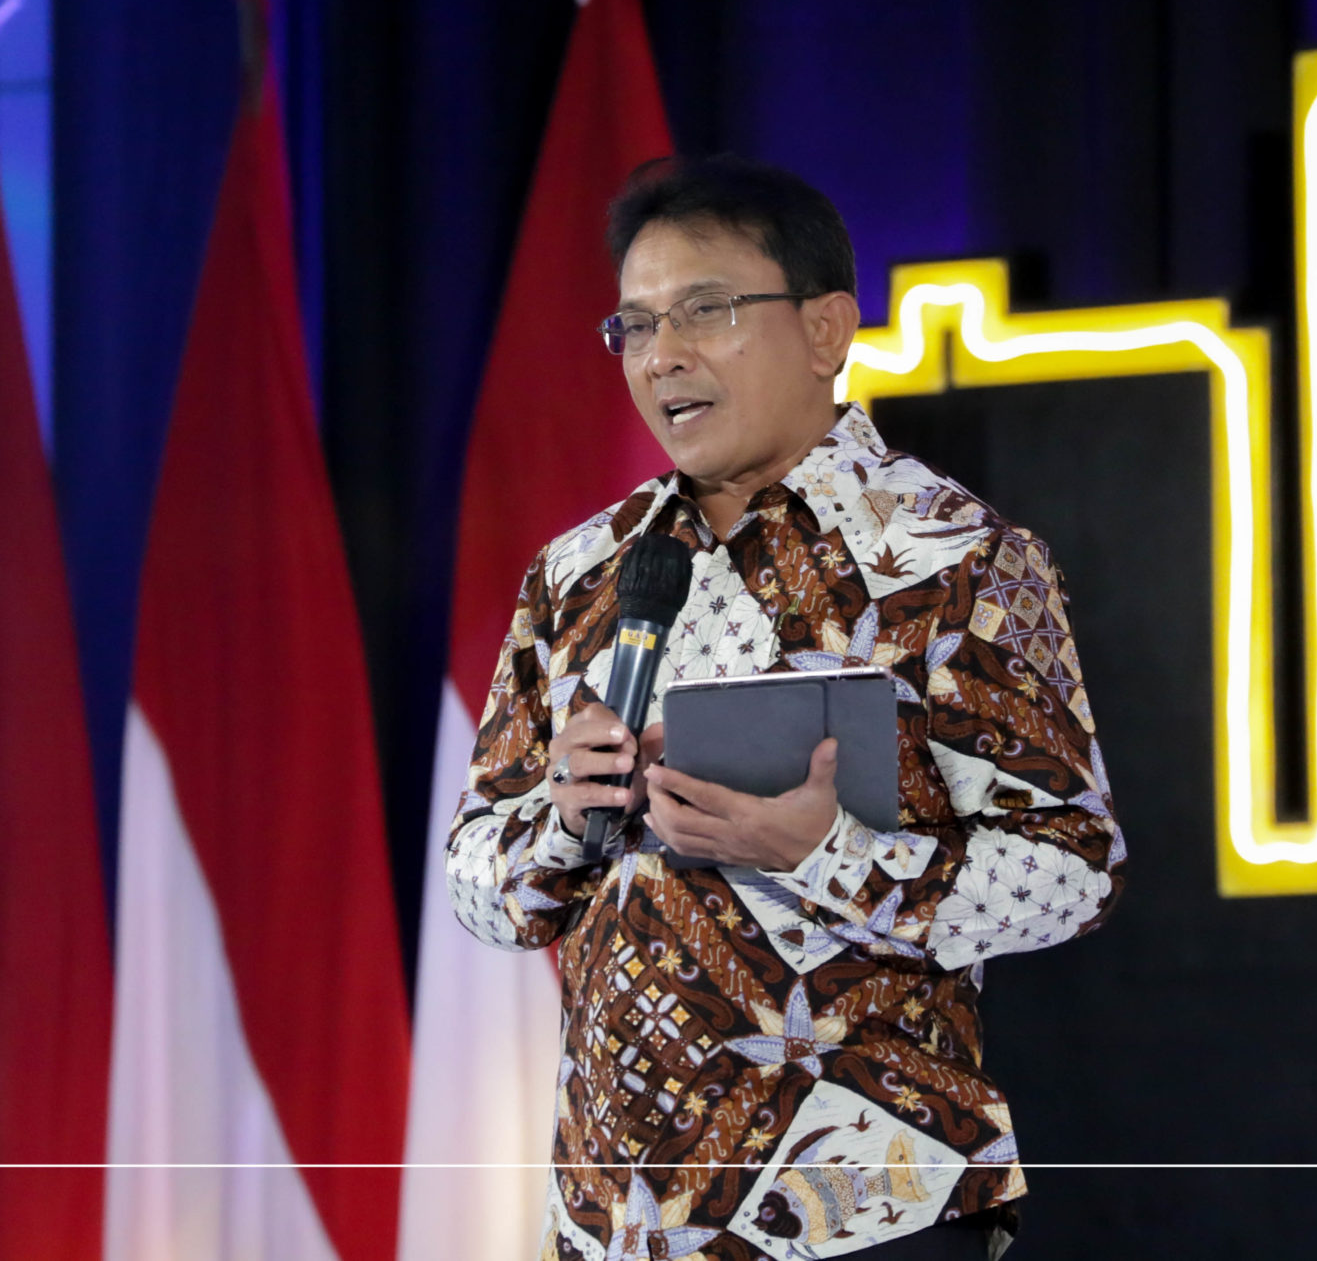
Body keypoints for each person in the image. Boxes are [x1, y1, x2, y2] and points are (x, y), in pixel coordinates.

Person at [445, 154, 1125, 1260]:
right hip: (621, 1219)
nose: (662, 354)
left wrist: (828, 856)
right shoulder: (580, 573)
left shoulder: (959, 559)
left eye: (704, 310)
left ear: (825, 330)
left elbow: (1075, 871)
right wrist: (560, 823)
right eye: (634, 325)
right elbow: (478, 886)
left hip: (868, 1209)